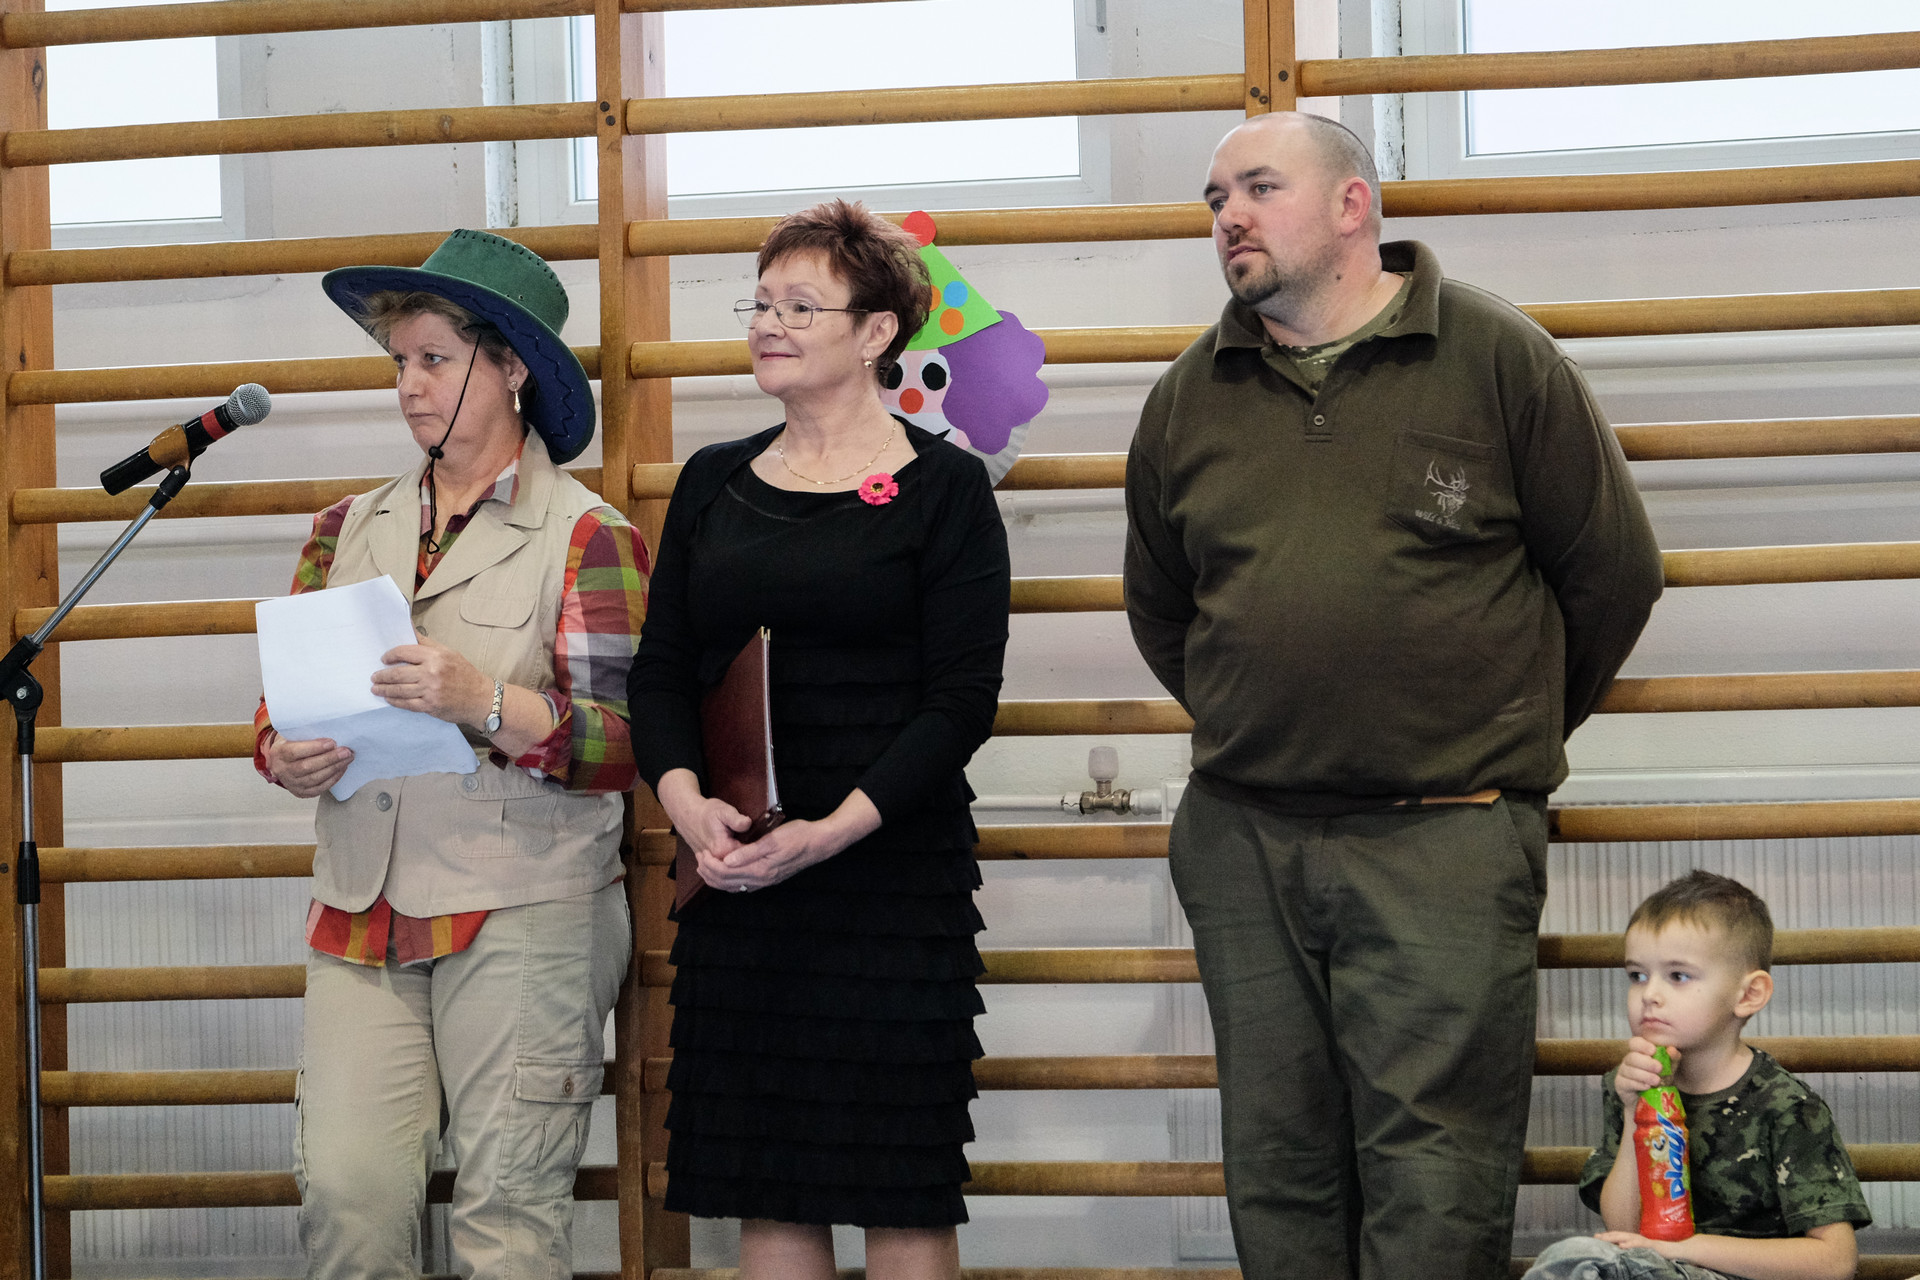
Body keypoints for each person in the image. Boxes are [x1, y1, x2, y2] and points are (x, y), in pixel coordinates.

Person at [1123, 111, 1666, 1279]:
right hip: (1247, 835)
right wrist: (1275, 713)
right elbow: (1164, 609)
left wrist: (1487, 730)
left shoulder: (1496, 357)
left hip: (1447, 834)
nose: (1229, 217)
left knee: (1437, 1169)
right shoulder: (1188, 395)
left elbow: (1614, 573)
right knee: (1278, 1157)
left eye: (1258, 188)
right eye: (1215, 199)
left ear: (1352, 204)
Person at [253, 229, 649, 1279]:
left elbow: (627, 744)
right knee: (348, 1198)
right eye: (400, 362)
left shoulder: (589, 535)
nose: (409, 386)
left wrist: (487, 702)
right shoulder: (342, 528)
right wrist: (284, 753)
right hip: (362, 905)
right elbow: (279, 710)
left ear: (512, 368)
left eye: (435, 359)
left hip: (527, 906)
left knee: (507, 1222)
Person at [628, 199, 1010, 1279]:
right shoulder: (712, 480)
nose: (769, 324)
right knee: (770, 1185)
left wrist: (831, 831)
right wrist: (687, 804)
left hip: (891, 882)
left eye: (801, 306)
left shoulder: (946, 488)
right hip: (741, 874)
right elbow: (661, 668)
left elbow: (960, 702)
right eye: (760, 303)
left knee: (901, 1191)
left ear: (877, 331)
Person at [1524, 871, 1869, 1280]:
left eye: (1678, 976)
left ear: (1748, 994)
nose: (1650, 995)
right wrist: (1635, 1113)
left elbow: (1835, 1261)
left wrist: (1688, 1248)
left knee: (1582, 1259)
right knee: (1578, 1259)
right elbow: (1626, 1229)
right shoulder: (1629, 1084)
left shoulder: (1787, 1105)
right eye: (1637, 976)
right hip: (1663, 1270)